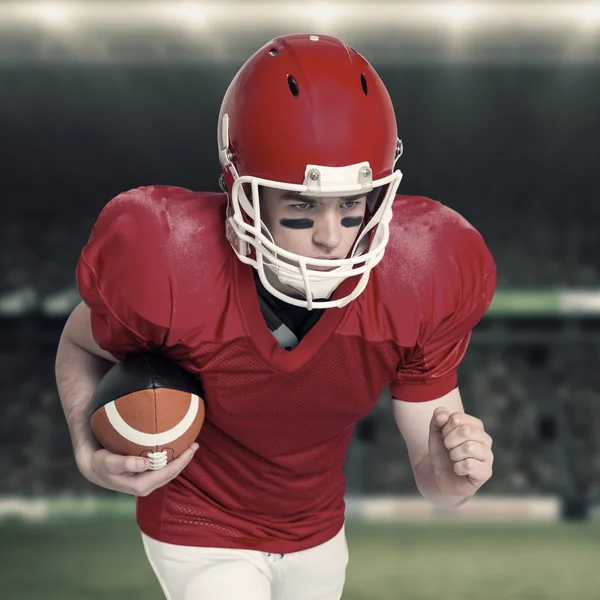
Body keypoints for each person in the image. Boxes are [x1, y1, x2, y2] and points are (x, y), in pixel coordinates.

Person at [56, 33, 496, 600]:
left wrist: (454, 477)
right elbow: (78, 344)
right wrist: (86, 453)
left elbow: (434, 479)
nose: (332, 238)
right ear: (241, 191)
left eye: (351, 204)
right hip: (199, 520)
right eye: (302, 206)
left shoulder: (424, 271)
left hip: (315, 531)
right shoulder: (166, 262)